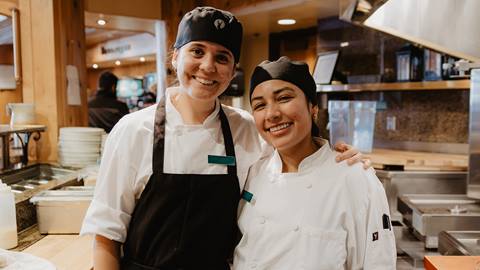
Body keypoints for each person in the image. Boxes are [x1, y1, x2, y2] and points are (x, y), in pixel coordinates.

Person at [80, 7, 367, 270]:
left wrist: (340, 158)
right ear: (175, 56)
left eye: (221, 57)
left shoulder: (246, 129)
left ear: (232, 71)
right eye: (197, 51)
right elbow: (106, 234)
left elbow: (296, 162)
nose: (208, 66)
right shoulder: (132, 130)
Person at [233, 57, 396, 270]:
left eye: (283, 98)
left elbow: (378, 263)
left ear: (313, 108)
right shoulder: (253, 172)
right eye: (260, 105)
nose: (272, 114)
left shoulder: (355, 178)